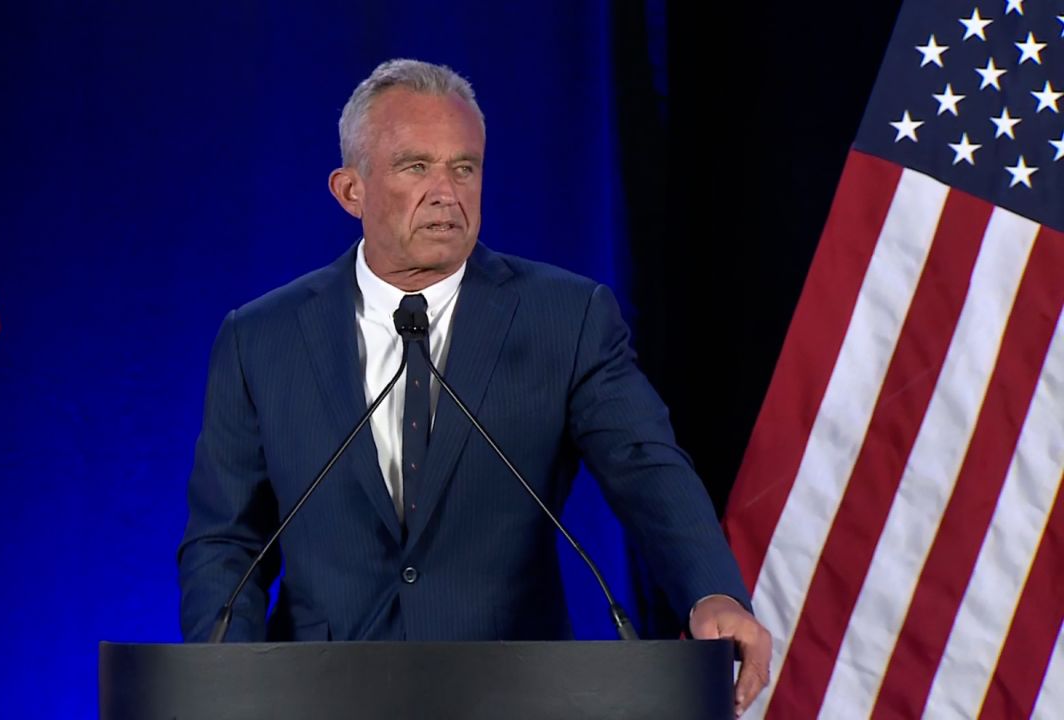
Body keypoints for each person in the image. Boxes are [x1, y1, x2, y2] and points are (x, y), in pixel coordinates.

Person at [179, 58, 772, 715]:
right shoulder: (262, 337)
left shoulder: (564, 318)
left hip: (512, 693)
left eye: (464, 168)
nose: (446, 192)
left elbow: (646, 467)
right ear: (351, 190)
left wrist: (712, 590)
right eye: (415, 167)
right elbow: (227, 539)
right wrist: (224, 677)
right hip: (320, 695)